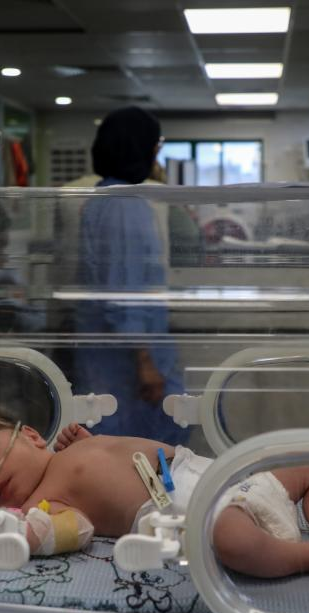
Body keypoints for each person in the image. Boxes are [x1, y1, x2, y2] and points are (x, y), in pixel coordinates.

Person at [0, 416, 309, 584]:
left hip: (228, 477)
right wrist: (0, 525)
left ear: (31, 436)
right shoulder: (46, 505)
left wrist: (91, 441)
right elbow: (74, 531)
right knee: (232, 541)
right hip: (205, 516)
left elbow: (116, 463)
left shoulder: (69, 452)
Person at [72, 107, 188, 445]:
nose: (157, 153)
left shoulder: (104, 196)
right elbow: (125, 292)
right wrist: (145, 361)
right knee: (137, 444)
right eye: (156, 144)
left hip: (110, 356)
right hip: (127, 363)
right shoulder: (126, 204)